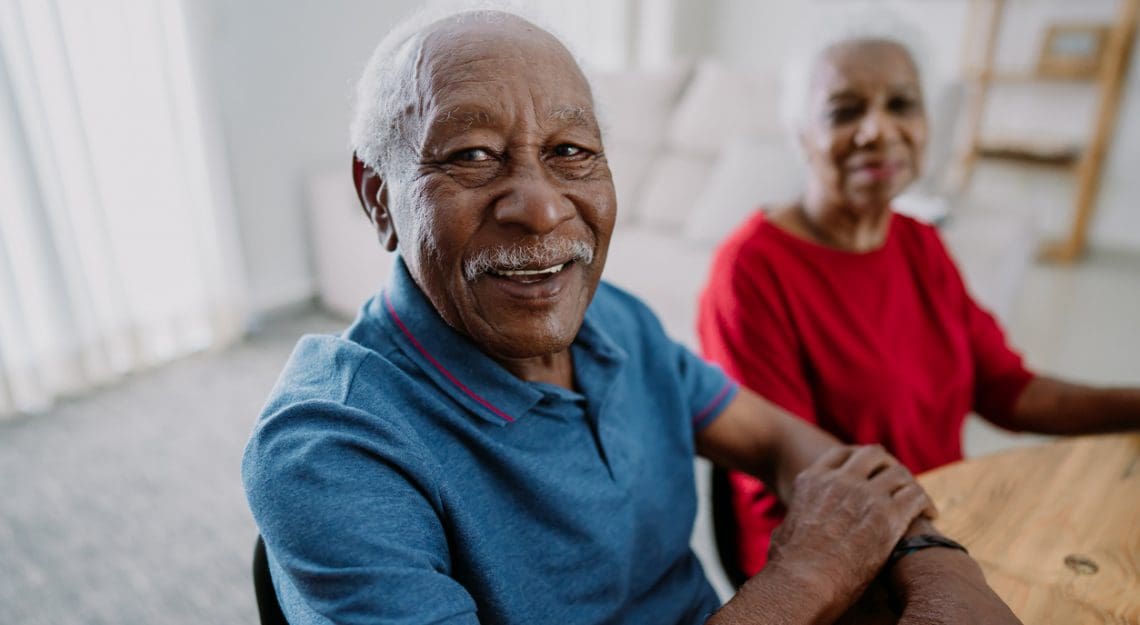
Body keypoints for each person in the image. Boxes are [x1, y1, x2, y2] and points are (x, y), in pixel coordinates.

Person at [243, 10, 1021, 625]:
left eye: (572, 150)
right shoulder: (330, 450)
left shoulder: (616, 320)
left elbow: (785, 439)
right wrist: (805, 576)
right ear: (378, 196)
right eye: (474, 155)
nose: (543, 206)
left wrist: (939, 562)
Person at [697, 25, 1140, 580]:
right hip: (829, 560)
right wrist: (945, 560)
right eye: (844, 111)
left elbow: (1011, 390)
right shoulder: (751, 269)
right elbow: (802, 475)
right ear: (800, 134)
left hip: (943, 525)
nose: (878, 130)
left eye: (901, 104)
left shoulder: (919, 242)